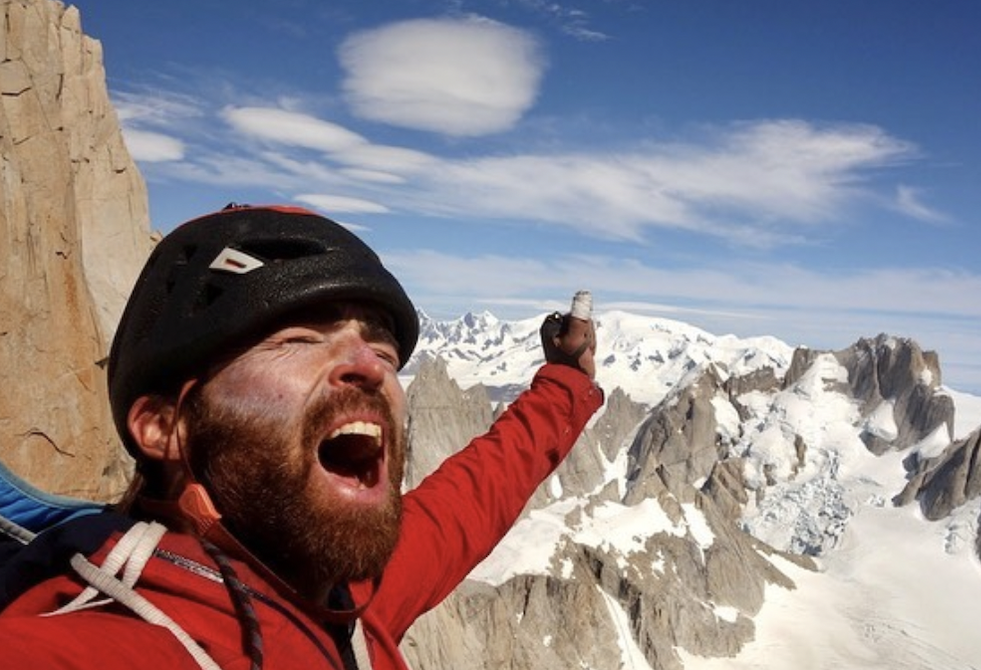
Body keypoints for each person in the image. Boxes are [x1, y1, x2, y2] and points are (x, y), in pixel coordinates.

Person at [0, 203, 602, 669]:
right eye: (298, 340)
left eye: (383, 349)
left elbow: (467, 503)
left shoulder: (343, 599)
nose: (369, 366)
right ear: (165, 427)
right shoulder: (97, 644)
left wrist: (563, 384)